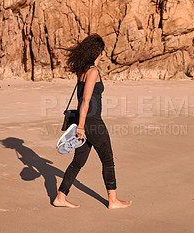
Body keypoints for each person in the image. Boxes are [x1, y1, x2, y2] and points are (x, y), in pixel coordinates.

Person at [53, 34, 132, 209]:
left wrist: (81, 125)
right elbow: (86, 101)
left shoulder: (83, 71)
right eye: (103, 49)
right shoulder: (93, 71)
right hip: (92, 122)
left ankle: (60, 197)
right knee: (108, 159)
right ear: (99, 52)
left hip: (85, 122)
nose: (104, 52)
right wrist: (81, 126)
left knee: (78, 162)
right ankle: (113, 201)